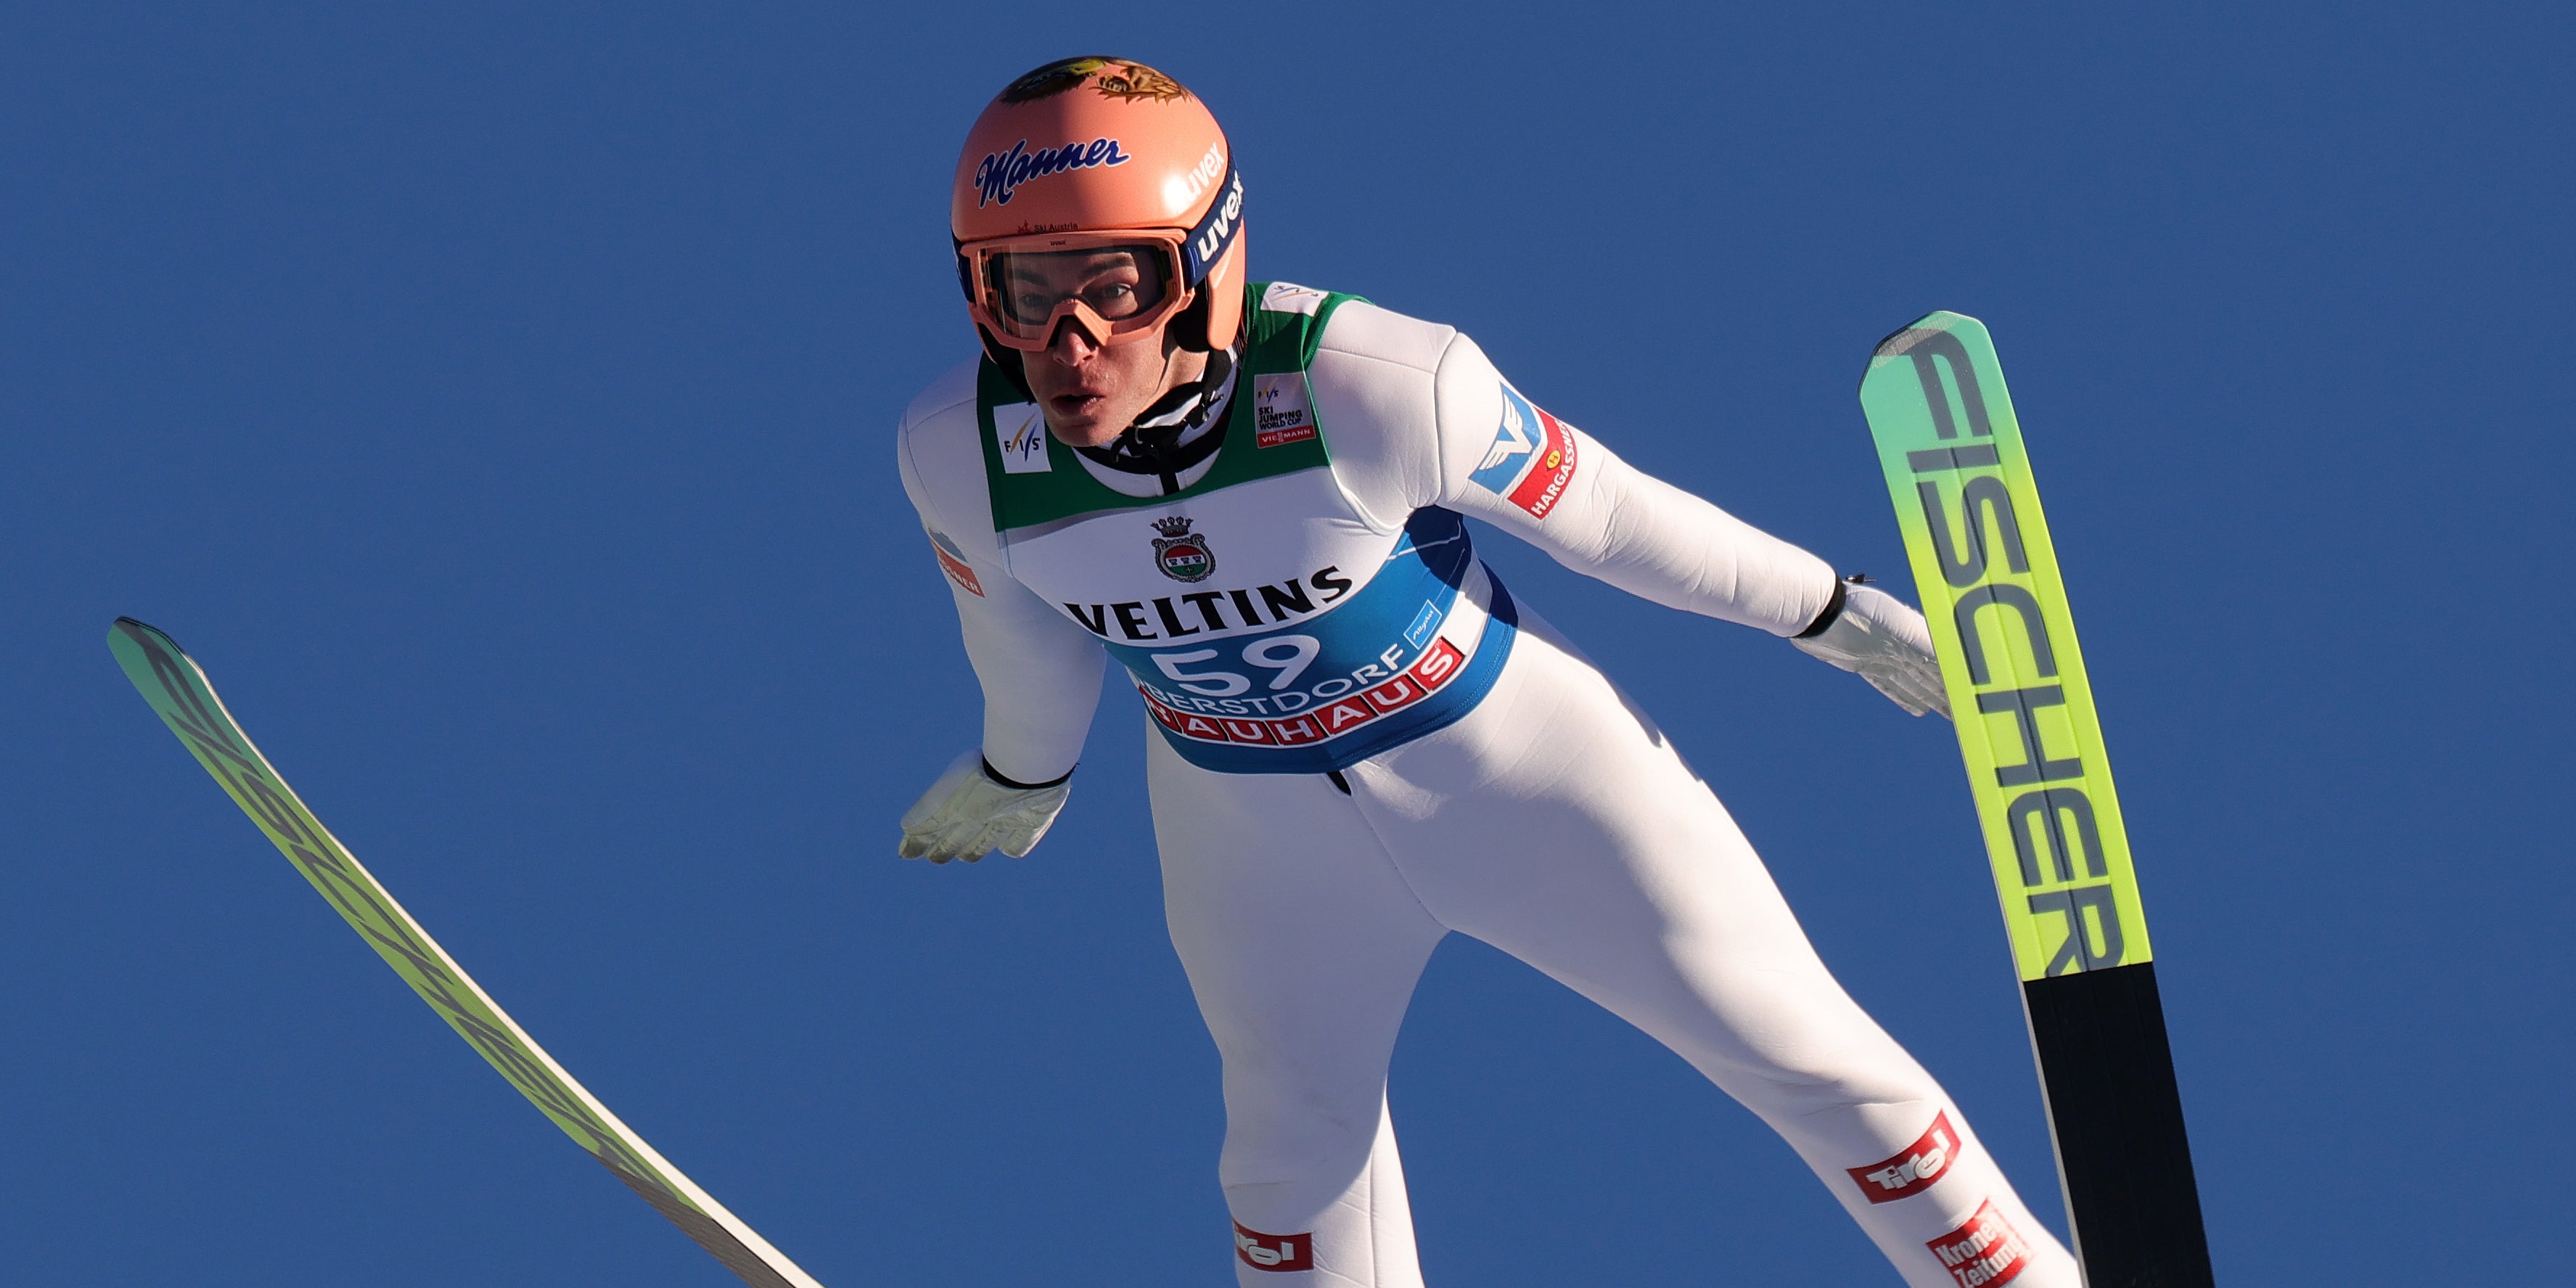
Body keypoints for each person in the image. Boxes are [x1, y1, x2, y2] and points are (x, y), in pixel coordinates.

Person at [893, 55, 2077, 1288]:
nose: (1067, 340)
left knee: (1800, 1050)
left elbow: (1614, 520)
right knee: (1290, 1162)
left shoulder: (1372, 382)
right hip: (1253, 837)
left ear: (1203, 267)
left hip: (1517, 774)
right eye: (1024, 291)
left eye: (1111, 285)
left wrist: (1827, 611)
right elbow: (1023, 638)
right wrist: (1022, 769)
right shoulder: (957, 454)